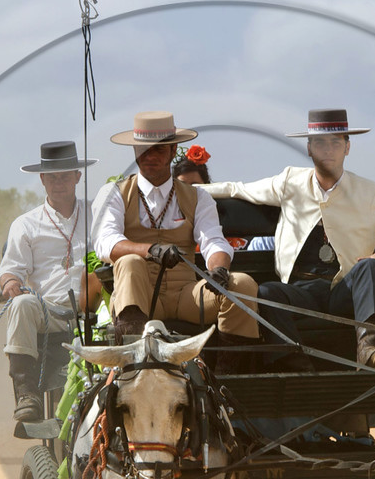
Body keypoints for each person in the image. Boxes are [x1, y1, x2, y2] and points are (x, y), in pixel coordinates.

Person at [199, 108, 375, 371]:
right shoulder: (290, 181)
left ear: (347, 147)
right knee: (267, 293)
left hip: (344, 291)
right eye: (320, 143)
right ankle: (296, 365)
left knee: (371, 265)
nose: (328, 150)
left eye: (335, 143)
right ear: (308, 148)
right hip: (299, 292)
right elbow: (235, 189)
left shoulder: (371, 193)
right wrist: (183, 190)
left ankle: (371, 349)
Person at [91, 111, 258, 352]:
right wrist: (151, 250)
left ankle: (229, 369)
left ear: (173, 150)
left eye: (159, 149)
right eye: (143, 149)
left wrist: (219, 269)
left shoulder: (198, 197)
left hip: (186, 296)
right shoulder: (114, 193)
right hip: (140, 297)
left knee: (242, 284)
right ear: (135, 150)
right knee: (129, 261)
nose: (150, 156)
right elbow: (106, 242)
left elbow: (213, 240)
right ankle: (132, 361)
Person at [0, 141, 98, 421]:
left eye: (65, 176)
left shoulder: (98, 213)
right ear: (42, 179)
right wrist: (10, 283)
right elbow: (11, 270)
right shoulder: (25, 224)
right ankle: (26, 393)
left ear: (78, 177)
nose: (59, 183)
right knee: (21, 305)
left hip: (96, 311)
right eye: (52, 177)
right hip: (49, 312)